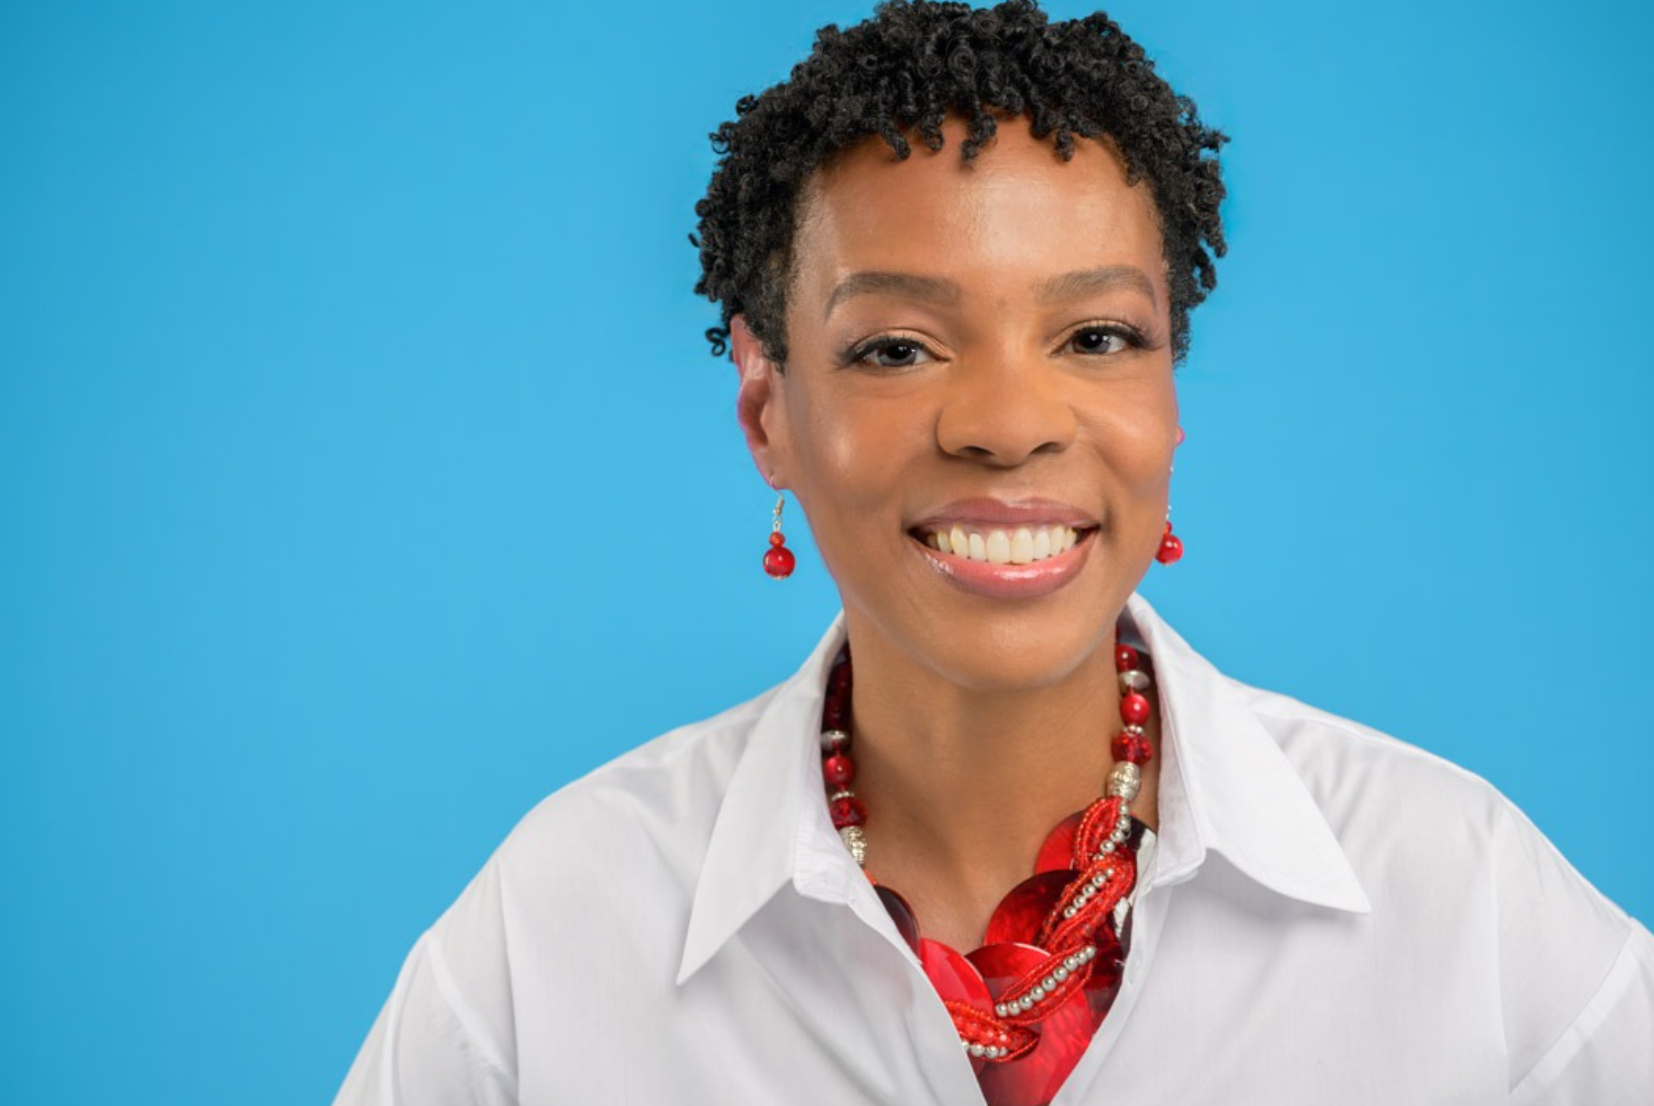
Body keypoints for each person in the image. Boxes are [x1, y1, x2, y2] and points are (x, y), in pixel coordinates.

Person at [333, 2, 1654, 1103]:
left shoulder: (1459, 895)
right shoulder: (559, 923)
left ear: (1168, 401)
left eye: (1095, 338)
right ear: (767, 413)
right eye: (895, 348)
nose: (1010, 426)